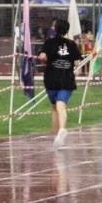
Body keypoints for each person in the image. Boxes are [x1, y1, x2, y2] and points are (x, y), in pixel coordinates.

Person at [38, 19, 84, 147]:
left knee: (55, 107)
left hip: (51, 78)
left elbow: (42, 57)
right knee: (60, 106)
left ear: (55, 29)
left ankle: (58, 132)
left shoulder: (49, 43)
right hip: (66, 78)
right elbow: (76, 62)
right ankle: (59, 132)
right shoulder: (72, 44)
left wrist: (44, 60)